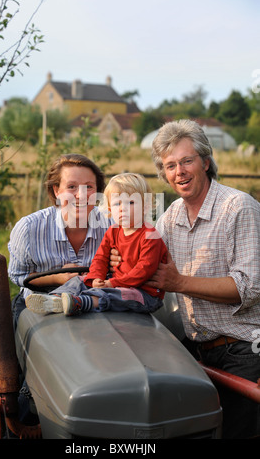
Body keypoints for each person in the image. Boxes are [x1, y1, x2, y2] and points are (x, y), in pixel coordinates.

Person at [146, 119, 260, 439]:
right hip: (198, 353)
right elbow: (147, 264)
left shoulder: (238, 207)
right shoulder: (171, 217)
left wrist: (179, 282)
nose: (179, 171)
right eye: (170, 165)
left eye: (187, 161)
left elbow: (249, 287)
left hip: (244, 353)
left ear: (206, 162)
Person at [25, 173, 167, 316]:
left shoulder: (150, 235)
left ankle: (82, 302)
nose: (123, 208)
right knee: (79, 280)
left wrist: (112, 283)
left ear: (146, 206)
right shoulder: (113, 231)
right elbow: (101, 258)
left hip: (143, 293)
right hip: (114, 283)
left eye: (131, 202)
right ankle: (54, 299)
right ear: (110, 209)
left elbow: (143, 270)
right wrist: (95, 278)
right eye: (117, 203)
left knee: (120, 294)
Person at [8, 153, 112, 321]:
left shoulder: (112, 227)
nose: (81, 195)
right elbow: (18, 275)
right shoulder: (29, 228)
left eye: (89, 187)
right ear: (56, 190)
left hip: (97, 304)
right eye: (72, 187)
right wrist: (57, 278)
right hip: (39, 307)